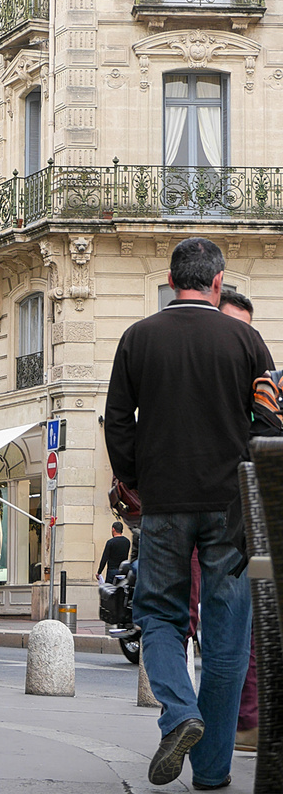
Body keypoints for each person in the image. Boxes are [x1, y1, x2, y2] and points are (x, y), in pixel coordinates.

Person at [104, 238, 272, 790]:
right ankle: (214, 771)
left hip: (164, 504)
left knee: (159, 617)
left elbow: (117, 421)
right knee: (228, 639)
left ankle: (179, 713)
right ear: (217, 281)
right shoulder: (246, 339)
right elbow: (273, 426)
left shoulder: (136, 338)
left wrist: (136, 479)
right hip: (231, 508)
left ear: (173, 280)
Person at [218, 289, 265, 755]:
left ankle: (245, 723)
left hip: (250, 518)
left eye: (246, 331)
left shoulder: (261, 382)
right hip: (203, 511)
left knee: (245, 621)